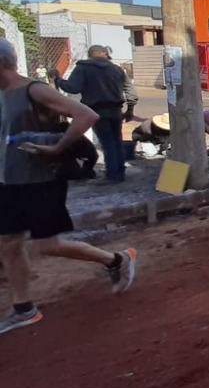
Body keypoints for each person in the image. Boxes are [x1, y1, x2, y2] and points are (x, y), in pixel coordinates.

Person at [0, 39, 137, 335]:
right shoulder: (2, 95)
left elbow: (86, 114)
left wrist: (59, 146)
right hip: (9, 181)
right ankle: (23, 308)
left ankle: (116, 259)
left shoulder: (33, 89)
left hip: (42, 178)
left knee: (47, 245)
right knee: (8, 243)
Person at [50, 45, 138, 184]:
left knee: (107, 143)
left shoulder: (83, 68)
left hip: (96, 110)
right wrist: (130, 110)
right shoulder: (117, 69)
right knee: (116, 141)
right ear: (105, 54)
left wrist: (57, 79)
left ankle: (112, 176)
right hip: (116, 110)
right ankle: (119, 173)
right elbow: (131, 93)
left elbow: (72, 88)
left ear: (91, 55)